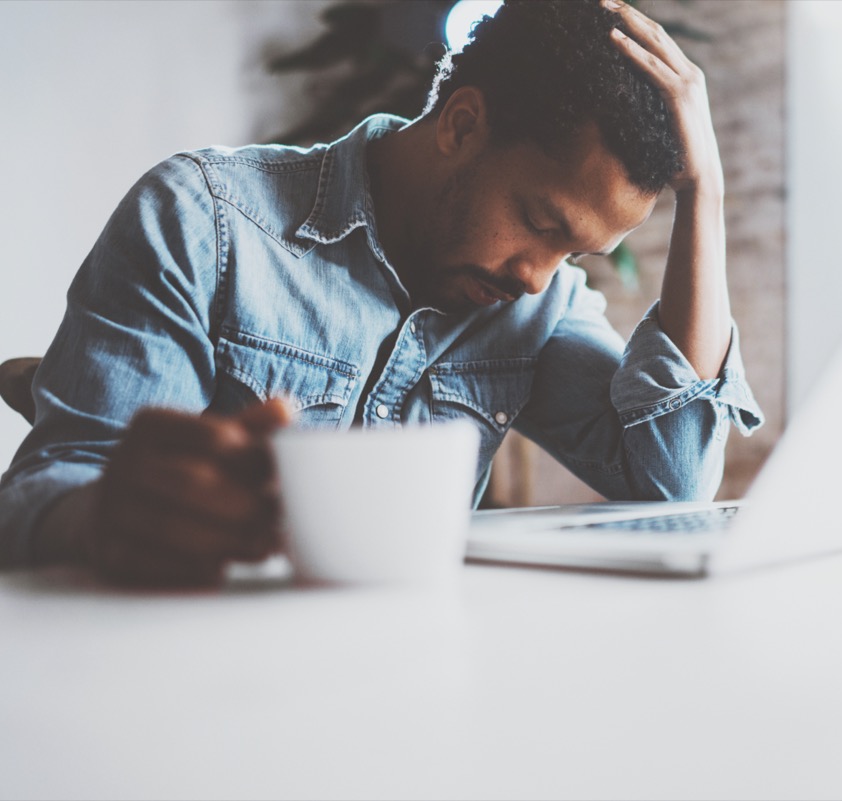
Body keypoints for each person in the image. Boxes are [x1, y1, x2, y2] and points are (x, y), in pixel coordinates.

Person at [0, 0, 762, 585]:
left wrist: (707, 196)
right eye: (537, 220)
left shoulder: (534, 303)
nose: (537, 275)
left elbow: (673, 489)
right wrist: (102, 514)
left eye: (577, 254)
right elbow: (37, 497)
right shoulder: (203, 223)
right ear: (461, 125)